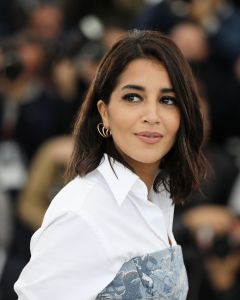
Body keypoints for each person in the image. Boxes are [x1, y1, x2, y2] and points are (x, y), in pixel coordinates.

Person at [14, 29, 206, 299]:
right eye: (133, 97)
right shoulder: (83, 212)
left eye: (167, 100)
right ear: (104, 113)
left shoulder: (158, 197)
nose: (152, 115)